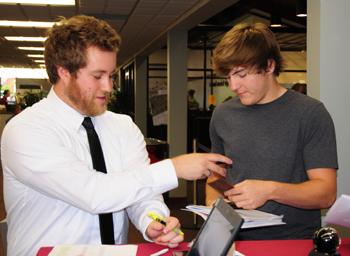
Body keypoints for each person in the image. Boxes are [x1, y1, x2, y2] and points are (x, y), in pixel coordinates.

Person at [0, 15, 232, 255]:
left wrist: (153, 221)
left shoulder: (122, 126)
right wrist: (173, 168)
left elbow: (142, 194)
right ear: (64, 72)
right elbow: (94, 193)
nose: (109, 87)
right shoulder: (26, 130)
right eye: (97, 76)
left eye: (110, 75)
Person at [206, 23, 338, 240]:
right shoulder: (222, 113)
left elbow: (326, 194)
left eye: (240, 74)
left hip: (293, 241)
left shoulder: (310, 113)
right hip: (234, 240)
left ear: (268, 66)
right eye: (228, 76)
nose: (233, 86)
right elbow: (216, 175)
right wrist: (213, 204)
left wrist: (271, 190)